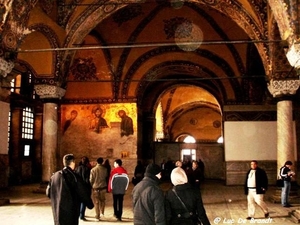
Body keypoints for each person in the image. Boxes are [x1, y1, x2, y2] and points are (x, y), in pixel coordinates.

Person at [47, 154, 93, 225]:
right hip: (70, 210)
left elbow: (48, 193)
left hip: (57, 210)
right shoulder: (74, 177)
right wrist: (90, 204)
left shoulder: (54, 176)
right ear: (72, 163)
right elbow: (82, 192)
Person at [75, 156, 92, 221]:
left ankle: (78, 214)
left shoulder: (77, 168)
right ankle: (82, 215)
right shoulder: (87, 169)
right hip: (85, 187)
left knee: (78, 201)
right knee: (83, 202)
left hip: (78, 187)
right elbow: (88, 179)